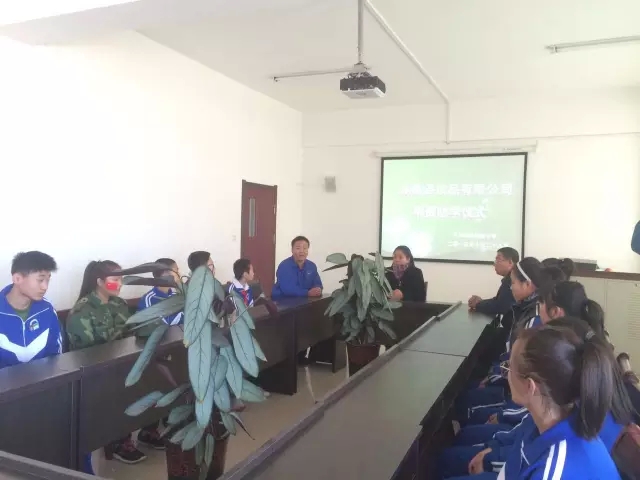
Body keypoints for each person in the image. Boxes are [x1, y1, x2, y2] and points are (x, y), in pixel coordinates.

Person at [496, 322, 622, 478]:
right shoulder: (551, 419)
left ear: (530, 386)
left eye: (509, 367)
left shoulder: (553, 471)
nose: (506, 373)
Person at [66, 260, 146, 465]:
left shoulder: (119, 304)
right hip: (95, 371)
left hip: (122, 365)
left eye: (121, 279)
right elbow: (86, 353)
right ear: (99, 281)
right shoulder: (82, 310)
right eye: (115, 280)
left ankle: (127, 437)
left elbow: (131, 334)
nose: (119, 284)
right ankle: (115, 442)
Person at [0, 251, 61, 368]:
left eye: (48, 280)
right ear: (17, 278)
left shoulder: (47, 310)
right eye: (40, 280)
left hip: (44, 379)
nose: (45, 287)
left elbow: (56, 356)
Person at [468, 247, 518, 316]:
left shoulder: (514, 281)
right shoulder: (508, 279)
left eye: (498, 259)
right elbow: (498, 301)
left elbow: (500, 306)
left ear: (510, 262)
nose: (494, 264)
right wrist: (481, 302)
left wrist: (478, 304)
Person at [138, 258, 183, 326]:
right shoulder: (150, 299)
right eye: (176, 270)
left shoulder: (174, 295)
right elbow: (167, 322)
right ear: (165, 274)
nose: (179, 274)